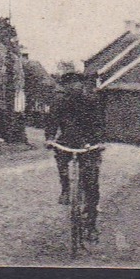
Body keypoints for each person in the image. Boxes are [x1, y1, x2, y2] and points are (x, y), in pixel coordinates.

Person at [46, 70, 107, 239]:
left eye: (78, 83)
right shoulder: (59, 102)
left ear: (82, 85)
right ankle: (65, 188)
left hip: (90, 143)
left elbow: (99, 123)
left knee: (91, 183)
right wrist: (50, 138)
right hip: (67, 141)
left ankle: (91, 225)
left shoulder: (91, 101)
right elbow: (52, 121)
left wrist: (100, 142)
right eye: (70, 84)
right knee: (60, 160)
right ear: (65, 87)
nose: (75, 87)